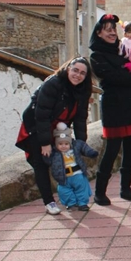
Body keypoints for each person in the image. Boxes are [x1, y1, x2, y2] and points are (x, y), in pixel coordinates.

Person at [15, 57, 93, 215]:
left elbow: (80, 118)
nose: (78, 75)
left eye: (82, 73)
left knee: (67, 163)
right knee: (41, 163)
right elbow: (41, 114)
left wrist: (80, 144)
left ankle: (73, 199)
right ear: (68, 69)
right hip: (36, 127)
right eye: (75, 70)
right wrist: (45, 143)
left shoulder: (84, 90)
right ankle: (49, 202)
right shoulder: (53, 83)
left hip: (58, 129)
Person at [89, 13, 131, 206]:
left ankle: (126, 188)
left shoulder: (123, 49)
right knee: (112, 149)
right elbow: (113, 78)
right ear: (99, 33)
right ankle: (100, 191)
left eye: (113, 29)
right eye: (107, 29)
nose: (111, 32)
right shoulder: (96, 56)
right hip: (114, 106)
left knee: (130, 149)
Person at [47, 123, 99, 211]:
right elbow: (48, 160)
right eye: (60, 144)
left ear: (70, 143)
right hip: (63, 176)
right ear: (56, 144)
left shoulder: (76, 146)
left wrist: (91, 153)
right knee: (64, 191)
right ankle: (71, 203)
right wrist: (45, 156)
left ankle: (82, 203)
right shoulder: (54, 153)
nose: (63, 146)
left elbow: (84, 147)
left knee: (82, 189)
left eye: (66, 144)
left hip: (77, 173)